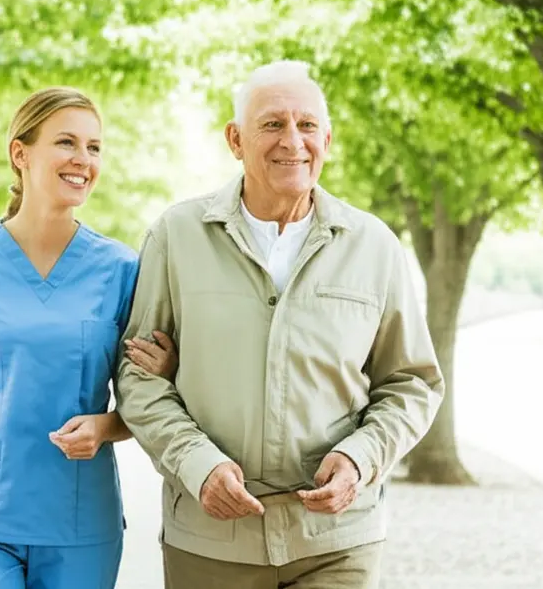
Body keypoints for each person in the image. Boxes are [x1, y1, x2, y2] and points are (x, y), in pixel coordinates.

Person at [114, 60, 445, 589]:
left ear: (327, 140)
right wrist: (197, 465)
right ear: (235, 139)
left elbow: (412, 383)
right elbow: (138, 378)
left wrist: (360, 459)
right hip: (211, 540)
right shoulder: (176, 236)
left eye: (307, 125)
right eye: (272, 124)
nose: (293, 140)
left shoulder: (375, 245)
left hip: (338, 540)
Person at [0, 87, 176, 589]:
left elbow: (149, 395)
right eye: (66, 142)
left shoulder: (122, 270)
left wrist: (106, 427)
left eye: (94, 147)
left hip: (79, 520)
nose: (83, 160)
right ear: (19, 154)